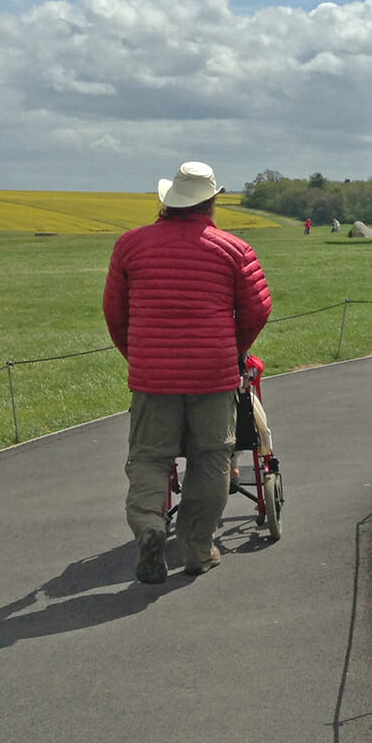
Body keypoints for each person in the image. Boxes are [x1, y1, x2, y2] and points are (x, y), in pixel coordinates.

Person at [103, 160, 273, 585]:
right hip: (213, 373)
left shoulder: (130, 246)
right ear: (211, 202)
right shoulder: (234, 250)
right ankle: (197, 547)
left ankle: (150, 527)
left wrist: (137, 354)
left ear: (168, 201)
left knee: (148, 456)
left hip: (151, 376)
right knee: (212, 458)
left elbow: (114, 312)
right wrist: (236, 349)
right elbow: (257, 308)